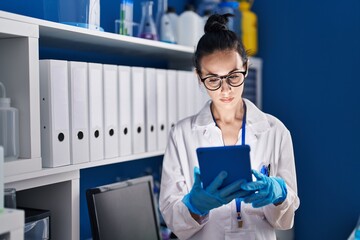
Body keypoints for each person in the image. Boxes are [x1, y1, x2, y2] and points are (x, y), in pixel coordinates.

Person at [159, 13, 300, 239]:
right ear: (199, 76)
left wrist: (279, 194)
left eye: (233, 76)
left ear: (245, 68)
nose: (225, 90)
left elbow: (285, 220)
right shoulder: (182, 134)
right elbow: (172, 220)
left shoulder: (275, 131)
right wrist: (194, 206)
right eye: (213, 79)